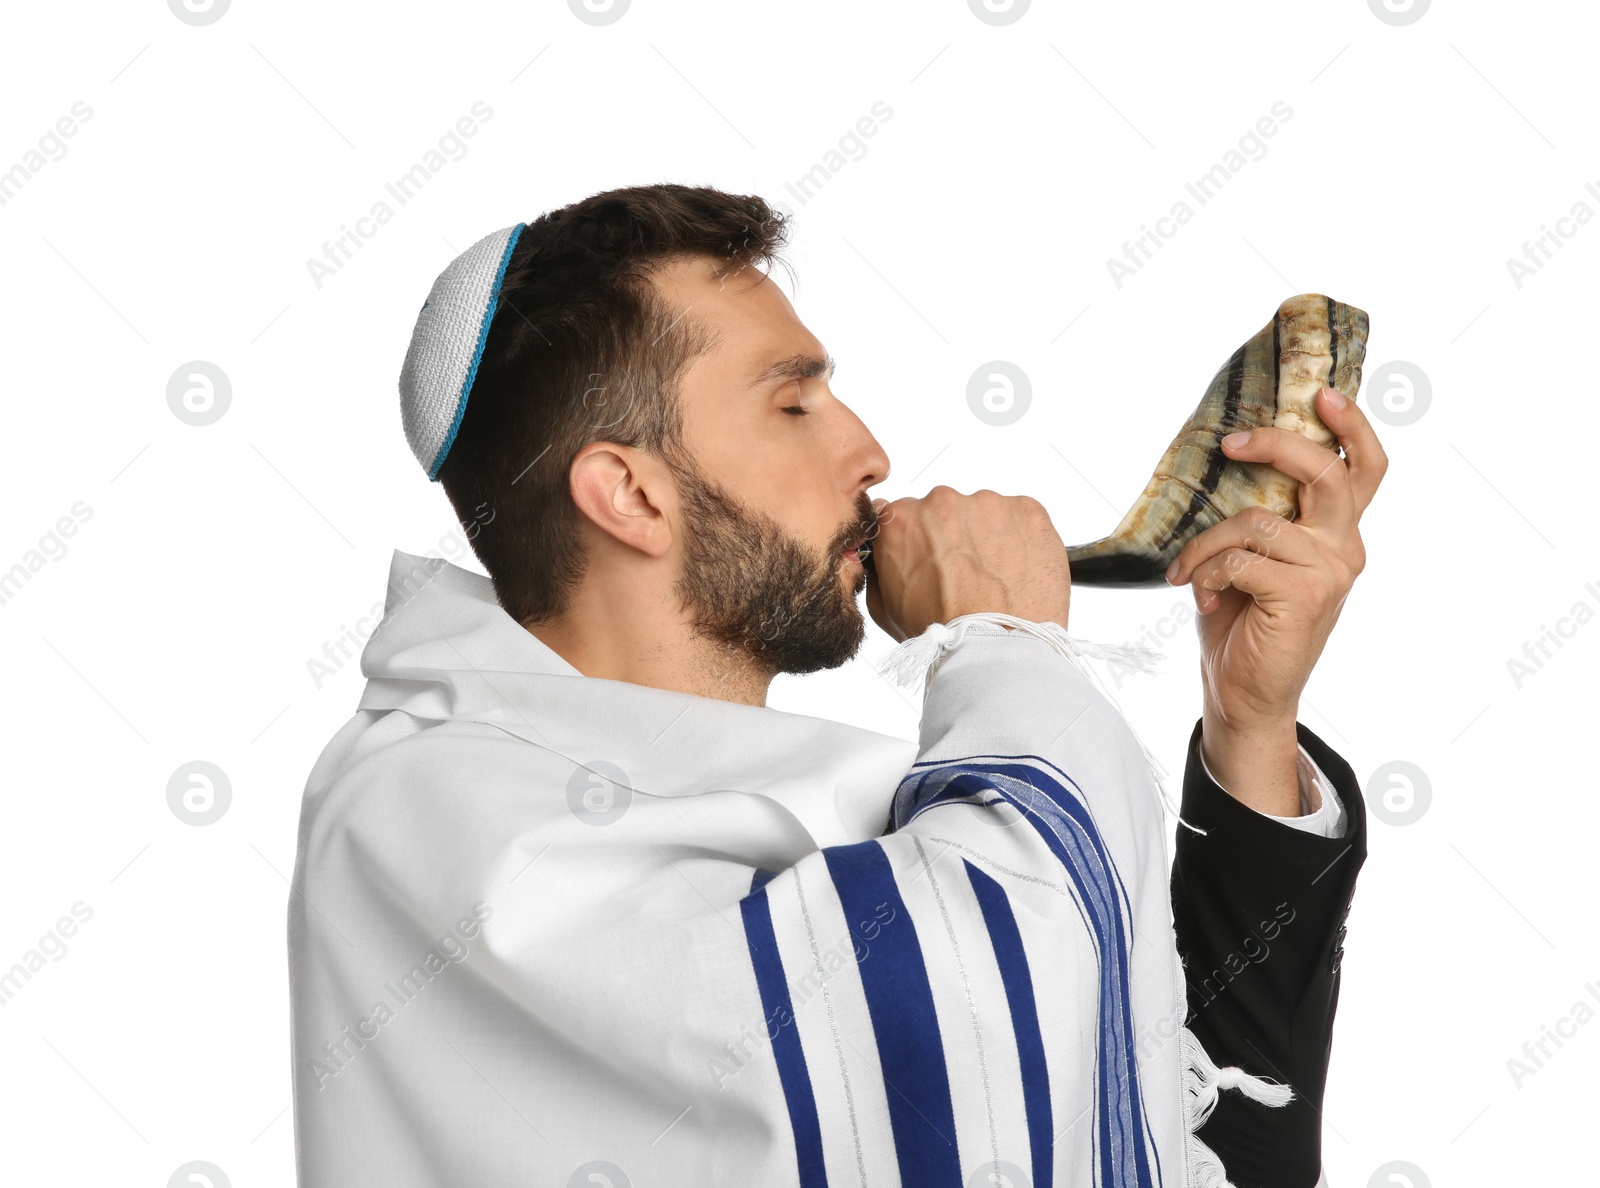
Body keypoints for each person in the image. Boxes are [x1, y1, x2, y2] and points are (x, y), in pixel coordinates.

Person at [287, 184, 1384, 1188]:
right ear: (627, 494)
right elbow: (992, 1031)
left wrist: (1249, 728)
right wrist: (996, 643)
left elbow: (1138, 1132)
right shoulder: (445, 821)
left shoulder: (797, 846)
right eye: (793, 404)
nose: (868, 454)